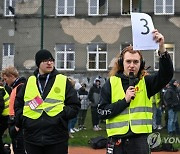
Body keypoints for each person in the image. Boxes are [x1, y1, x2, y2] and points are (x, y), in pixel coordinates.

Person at [97, 29, 173, 154]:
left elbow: (167, 74)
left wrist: (162, 48)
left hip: (140, 141)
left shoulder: (146, 82)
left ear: (141, 64)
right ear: (122, 63)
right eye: (128, 61)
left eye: (136, 62)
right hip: (117, 141)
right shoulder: (110, 83)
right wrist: (124, 101)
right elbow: (101, 112)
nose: (132, 65)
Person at [14, 49, 80, 154]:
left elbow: (74, 105)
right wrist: (24, 120)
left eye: (51, 60)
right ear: (38, 64)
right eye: (45, 60)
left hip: (57, 138)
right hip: (32, 138)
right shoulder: (29, 81)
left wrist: (61, 117)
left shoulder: (63, 81)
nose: (49, 63)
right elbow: (18, 104)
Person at [1, 66, 26, 154]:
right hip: (15, 123)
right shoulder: (17, 87)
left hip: (18, 125)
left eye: (5, 79)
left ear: (11, 76)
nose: (5, 82)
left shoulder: (21, 87)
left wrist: (17, 126)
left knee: (19, 149)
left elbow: (24, 107)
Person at [0, 78, 11, 154]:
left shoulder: (0, 91)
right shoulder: (2, 89)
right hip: (5, 117)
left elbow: (0, 106)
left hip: (3, 118)